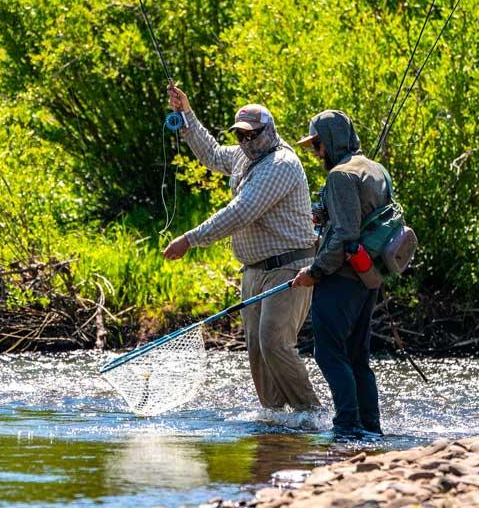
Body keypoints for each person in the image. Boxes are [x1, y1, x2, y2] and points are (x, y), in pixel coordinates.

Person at [164, 83, 320, 411]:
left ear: (270, 131)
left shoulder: (281, 164)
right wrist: (186, 114)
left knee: (274, 343)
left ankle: (312, 415)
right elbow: (209, 154)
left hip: (288, 268)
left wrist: (189, 239)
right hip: (254, 271)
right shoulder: (242, 156)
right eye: (241, 135)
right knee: (257, 351)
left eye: (253, 134)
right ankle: (276, 421)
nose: (246, 141)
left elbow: (241, 212)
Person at [290, 110, 389, 438]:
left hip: (341, 278)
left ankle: (347, 426)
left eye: (317, 144)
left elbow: (345, 233)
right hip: (368, 277)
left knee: (329, 353)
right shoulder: (376, 170)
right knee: (357, 355)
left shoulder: (340, 176)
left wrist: (314, 271)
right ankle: (370, 427)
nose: (316, 152)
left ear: (330, 141)